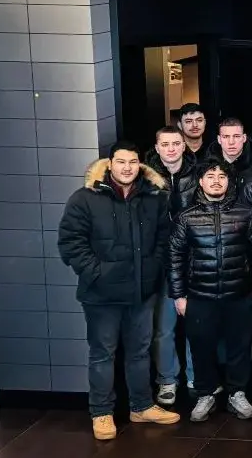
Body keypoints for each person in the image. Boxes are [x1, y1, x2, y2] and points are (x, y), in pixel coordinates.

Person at [58, 141, 181, 439]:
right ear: (110, 163)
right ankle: (101, 413)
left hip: (141, 292)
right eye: (121, 161)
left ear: (140, 164)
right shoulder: (85, 198)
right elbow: (70, 243)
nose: (127, 167)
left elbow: (165, 241)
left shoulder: (154, 196)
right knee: (103, 354)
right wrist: (97, 273)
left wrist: (153, 271)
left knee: (139, 352)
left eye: (133, 161)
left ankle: (141, 406)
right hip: (101, 295)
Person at [169, 159, 252, 423]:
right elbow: (174, 258)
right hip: (200, 296)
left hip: (239, 294)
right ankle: (205, 394)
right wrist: (179, 295)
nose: (216, 180)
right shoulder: (186, 217)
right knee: (201, 347)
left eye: (222, 175)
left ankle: (237, 393)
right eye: (210, 175)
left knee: (240, 347)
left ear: (229, 181)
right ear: (201, 181)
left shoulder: (246, 213)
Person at [146, 126, 198, 406]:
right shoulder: (145, 179)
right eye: (164, 144)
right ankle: (167, 380)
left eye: (175, 143)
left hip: (193, 260)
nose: (171, 149)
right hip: (162, 262)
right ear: (157, 147)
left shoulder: (198, 173)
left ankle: (195, 376)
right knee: (164, 327)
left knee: (194, 325)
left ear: (184, 145)